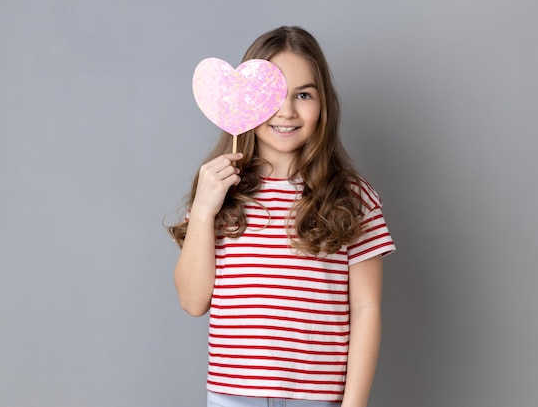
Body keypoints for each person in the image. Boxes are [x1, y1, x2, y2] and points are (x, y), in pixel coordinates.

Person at [168, 26, 396, 407]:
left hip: (317, 398)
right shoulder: (220, 191)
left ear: (323, 104)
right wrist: (206, 209)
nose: (287, 111)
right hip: (232, 396)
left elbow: (367, 309)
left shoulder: (352, 196)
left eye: (303, 95)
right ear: (244, 102)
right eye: (272, 95)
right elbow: (193, 302)